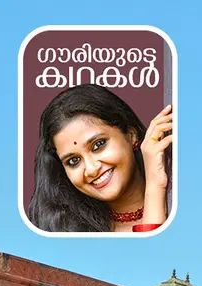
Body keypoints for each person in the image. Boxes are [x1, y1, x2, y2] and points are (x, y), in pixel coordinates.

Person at [28, 83, 172, 233]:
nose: (91, 169)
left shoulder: (183, 202)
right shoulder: (69, 234)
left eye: (98, 145)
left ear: (131, 134)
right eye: (73, 161)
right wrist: (155, 187)